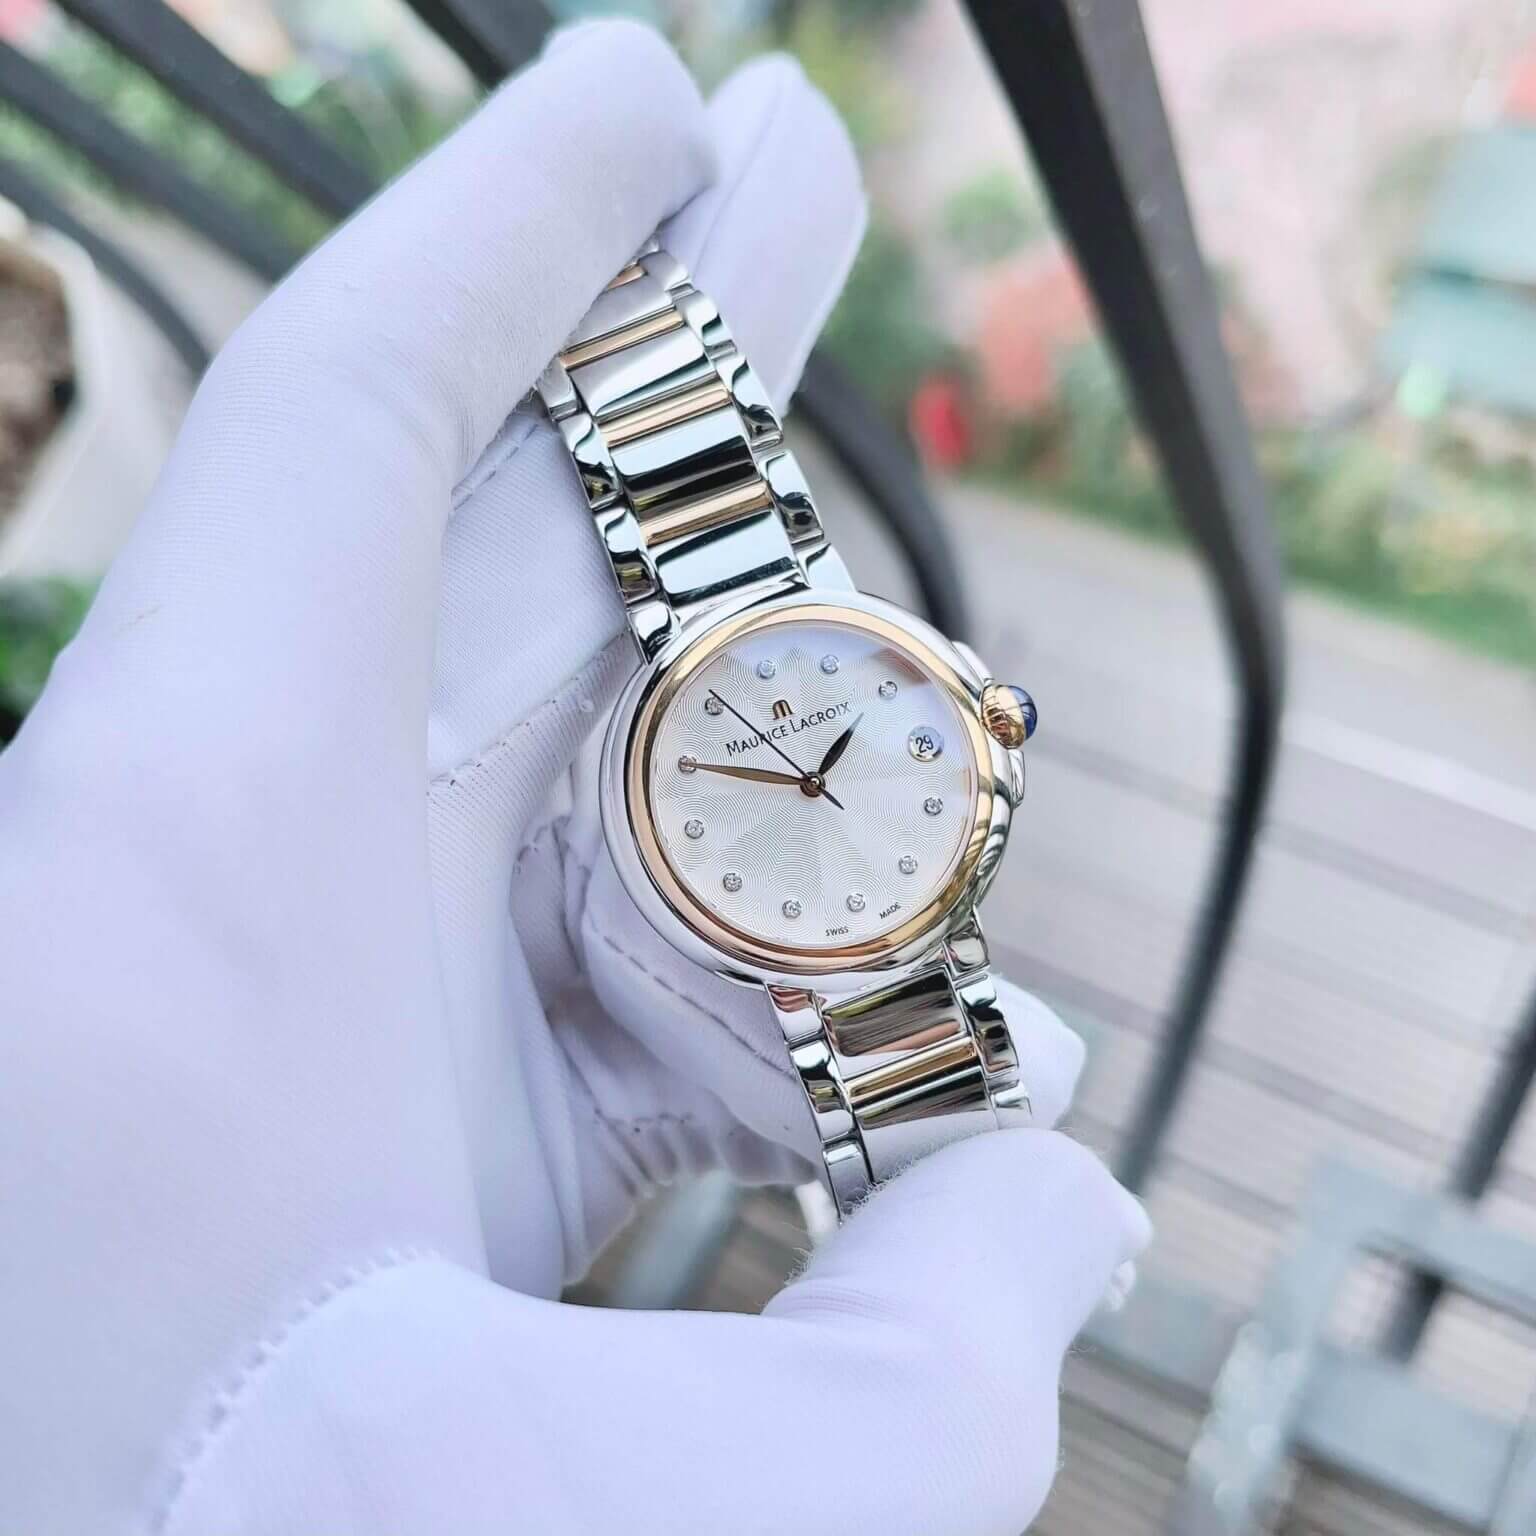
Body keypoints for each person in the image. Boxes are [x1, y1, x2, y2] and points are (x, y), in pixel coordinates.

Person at [0, 22, 1148, 1535]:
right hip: (760, 837)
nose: (811, 776)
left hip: (832, 904)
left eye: (833, 760)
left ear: (983, 727)